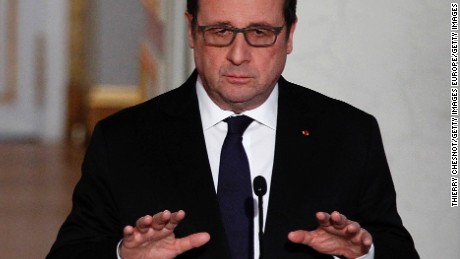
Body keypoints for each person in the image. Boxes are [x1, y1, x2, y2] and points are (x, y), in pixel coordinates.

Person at [47, 0, 419, 258]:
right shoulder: (123, 140)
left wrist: (363, 255)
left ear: (289, 36)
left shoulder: (350, 135)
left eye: (260, 32)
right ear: (192, 31)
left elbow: (397, 249)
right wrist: (123, 256)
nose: (238, 54)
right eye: (221, 31)